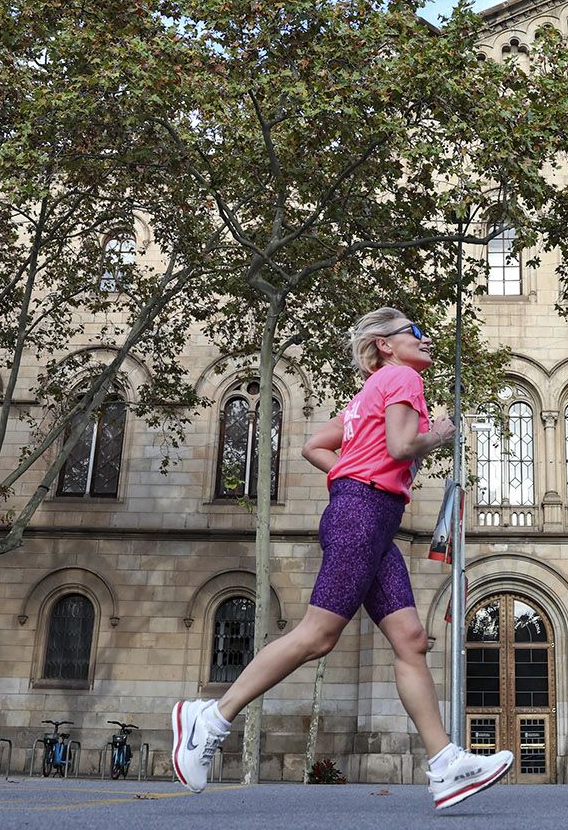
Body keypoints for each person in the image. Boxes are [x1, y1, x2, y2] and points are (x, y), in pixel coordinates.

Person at [170, 307, 513, 809]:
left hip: (372, 517)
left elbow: (315, 446)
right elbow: (400, 445)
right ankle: (210, 720)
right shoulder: (401, 377)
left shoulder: (364, 397)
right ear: (386, 344)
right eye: (415, 332)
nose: (427, 339)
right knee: (317, 634)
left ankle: (445, 765)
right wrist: (437, 434)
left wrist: (350, 476)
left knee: (411, 641)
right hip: (362, 515)